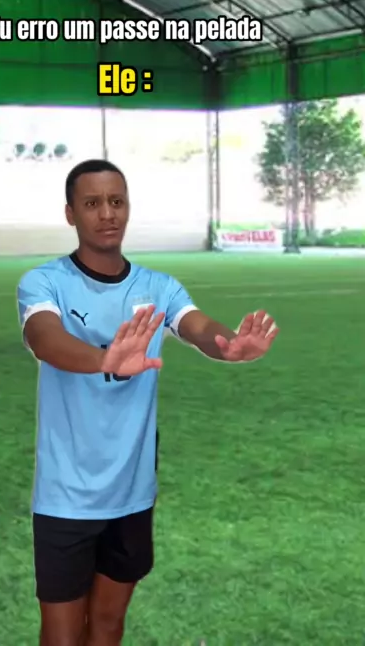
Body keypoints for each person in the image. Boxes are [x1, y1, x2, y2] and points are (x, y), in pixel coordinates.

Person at [17, 158, 279, 646]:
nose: (107, 213)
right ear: (71, 213)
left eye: (116, 201)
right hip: (66, 496)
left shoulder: (159, 287)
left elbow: (198, 326)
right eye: (92, 203)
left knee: (109, 624)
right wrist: (105, 360)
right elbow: (44, 337)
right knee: (62, 635)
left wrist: (228, 344)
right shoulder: (44, 281)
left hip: (132, 493)